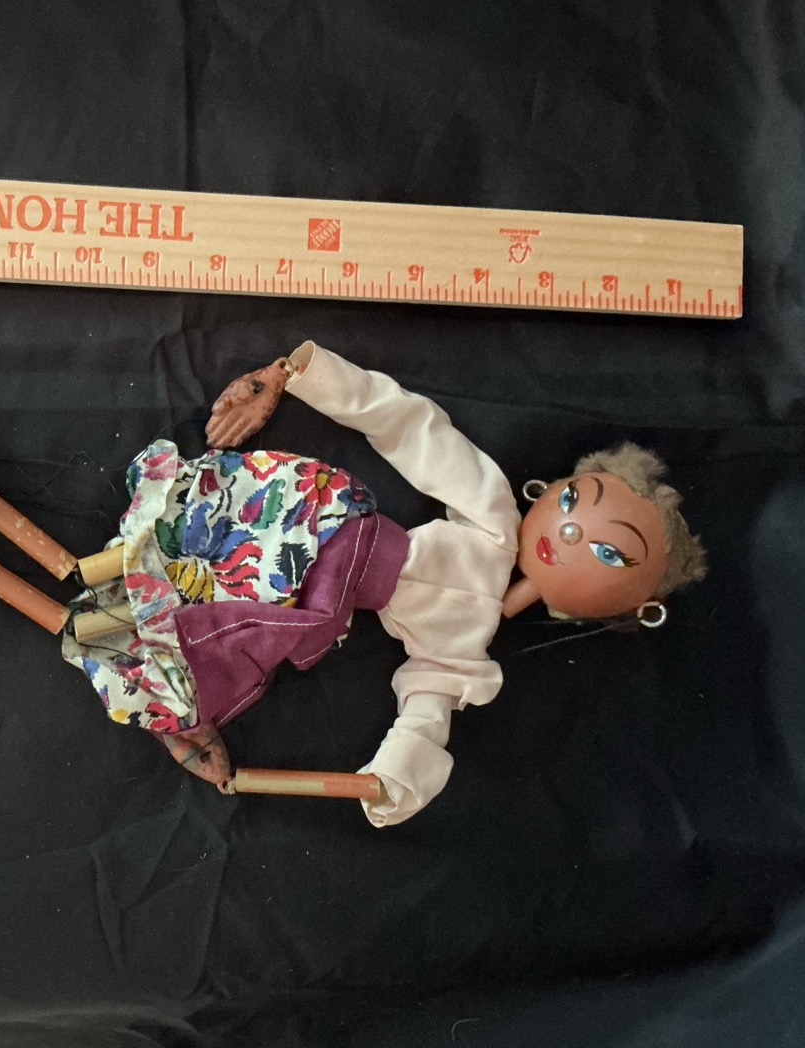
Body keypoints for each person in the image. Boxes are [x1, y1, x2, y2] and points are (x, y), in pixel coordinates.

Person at [67, 341, 707, 827]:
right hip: (327, 517)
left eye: (607, 553)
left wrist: (393, 778)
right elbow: (413, 428)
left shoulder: (462, 652)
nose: (567, 533)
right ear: (547, 489)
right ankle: (117, 595)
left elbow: (425, 713)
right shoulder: (494, 515)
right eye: (573, 502)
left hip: (313, 597)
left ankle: (145, 674)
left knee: (222, 622)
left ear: (621, 611)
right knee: (202, 530)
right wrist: (297, 376)